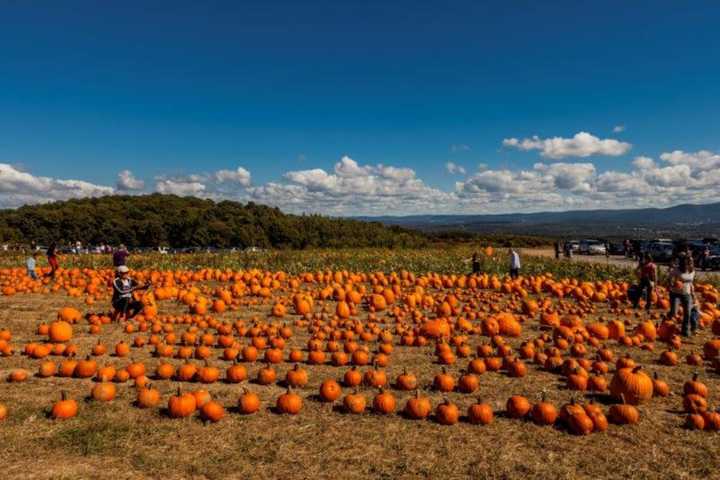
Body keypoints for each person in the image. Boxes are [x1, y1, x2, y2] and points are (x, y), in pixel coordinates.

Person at [668, 254, 697, 337]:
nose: (687, 264)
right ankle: (667, 321)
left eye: (689, 262)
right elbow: (670, 278)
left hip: (686, 293)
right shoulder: (676, 270)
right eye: (684, 262)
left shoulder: (692, 271)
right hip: (675, 293)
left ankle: (685, 330)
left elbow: (691, 283)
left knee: (687, 312)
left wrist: (693, 294)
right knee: (674, 312)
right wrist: (672, 284)